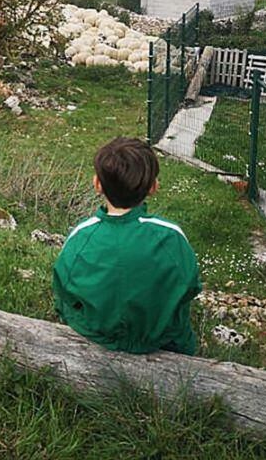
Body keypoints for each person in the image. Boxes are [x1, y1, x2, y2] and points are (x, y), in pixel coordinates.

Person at [52, 137, 202, 355]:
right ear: (153, 187)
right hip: (162, 341)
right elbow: (190, 285)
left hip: (95, 335)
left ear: (97, 184)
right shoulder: (170, 235)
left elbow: (62, 288)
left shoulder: (82, 235)